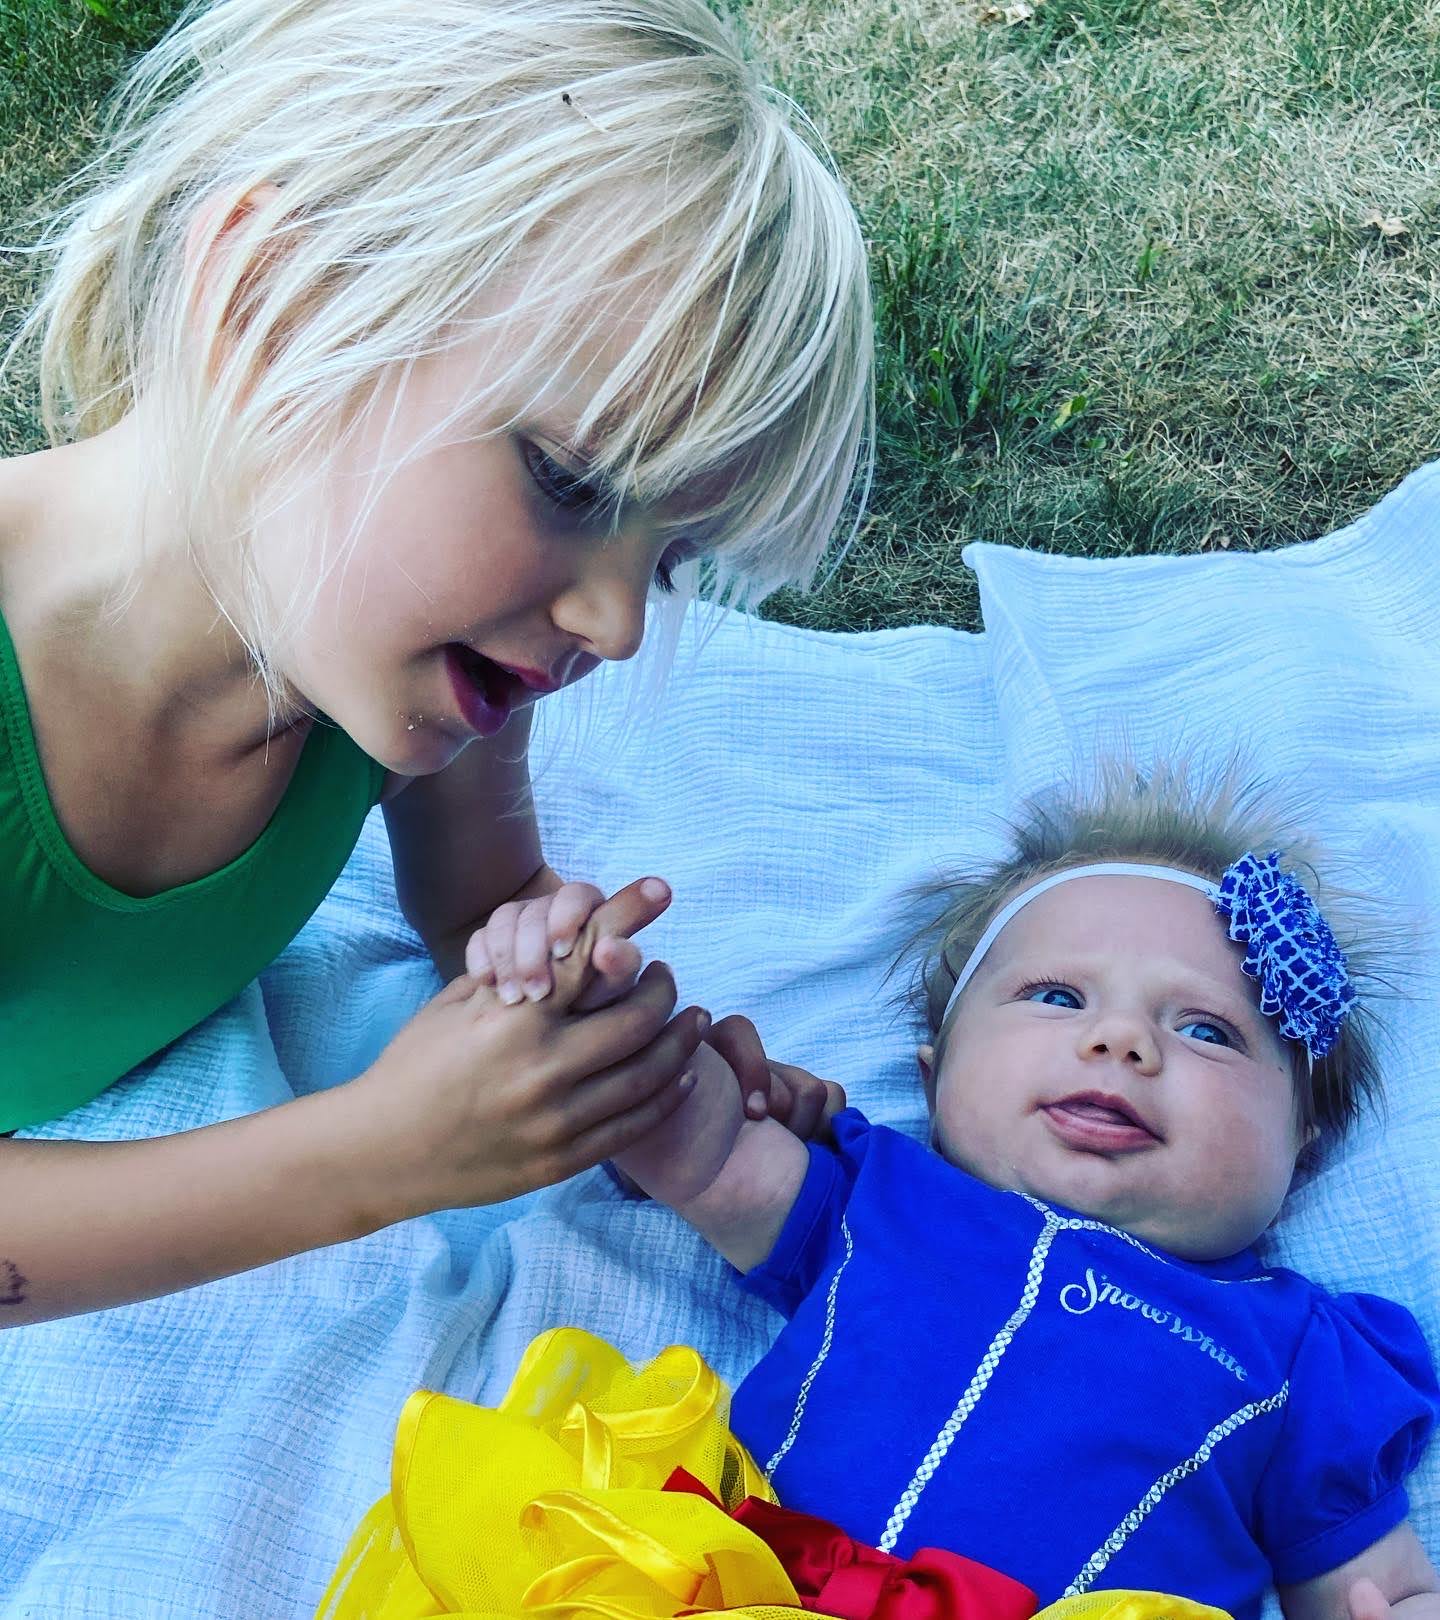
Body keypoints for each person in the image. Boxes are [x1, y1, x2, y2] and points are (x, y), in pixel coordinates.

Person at [0, 0, 871, 1326]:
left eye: (671, 559)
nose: (618, 625)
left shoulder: (408, 664)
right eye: (570, 481)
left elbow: (482, 905)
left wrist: (597, 1045)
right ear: (276, 304)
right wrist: (377, 1156)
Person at [524, 765, 1440, 1620]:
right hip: (758, 1589)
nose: (1121, 1041)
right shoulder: (876, 1199)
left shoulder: (1300, 1356)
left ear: (1301, 1141)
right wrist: (586, 1010)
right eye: (1057, 997)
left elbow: (1374, 1584)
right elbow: (699, 1148)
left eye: (1207, 1029)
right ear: (936, 1078)